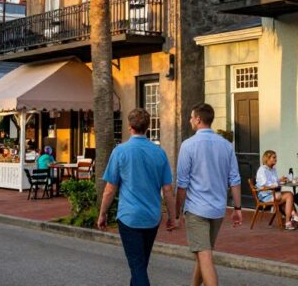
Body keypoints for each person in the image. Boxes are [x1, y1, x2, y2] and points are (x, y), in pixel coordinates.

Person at [97, 109, 175, 286]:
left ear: (130, 126)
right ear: (147, 127)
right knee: (140, 265)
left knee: (138, 267)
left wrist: (102, 214)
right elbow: (168, 189)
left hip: (129, 217)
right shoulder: (159, 153)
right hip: (152, 217)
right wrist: (172, 217)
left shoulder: (120, 151)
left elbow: (110, 189)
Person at [175, 103, 242, 286]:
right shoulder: (227, 146)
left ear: (198, 119)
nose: (189, 120)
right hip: (217, 210)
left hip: (196, 210)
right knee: (202, 254)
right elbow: (235, 179)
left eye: (191, 117)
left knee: (204, 256)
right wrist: (237, 208)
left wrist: (176, 212)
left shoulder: (188, 146)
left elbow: (182, 184)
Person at [255, 150, 298, 230]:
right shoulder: (262, 170)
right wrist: (277, 183)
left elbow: (273, 182)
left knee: (289, 194)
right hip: (266, 196)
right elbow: (265, 184)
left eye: (276, 157)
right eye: (274, 157)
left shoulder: (273, 169)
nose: (276, 159)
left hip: (273, 193)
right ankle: (290, 218)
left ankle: (292, 217)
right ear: (267, 159)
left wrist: (280, 180)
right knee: (289, 195)